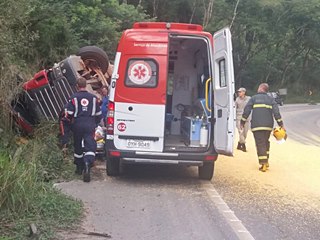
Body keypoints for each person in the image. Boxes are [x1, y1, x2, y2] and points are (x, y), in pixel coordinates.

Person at [65, 77, 102, 182]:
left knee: (78, 145)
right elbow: (98, 115)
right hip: (90, 123)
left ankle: (79, 168)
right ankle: (87, 164)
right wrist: (95, 123)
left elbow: (69, 114)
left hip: (77, 124)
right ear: (86, 85)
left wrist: (69, 122)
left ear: (77, 86)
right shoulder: (93, 98)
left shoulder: (73, 98)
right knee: (90, 144)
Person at [240, 83, 284, 172]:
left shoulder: (253, 98)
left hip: (257, 126)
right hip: (268, 126)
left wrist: (242, 122)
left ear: (261, 88)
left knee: (260, 144)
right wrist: (281, 124)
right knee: (265, 142)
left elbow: (247, 110)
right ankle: (266, 161)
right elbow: (276, 112)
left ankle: (263, 163)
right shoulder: (271, 99)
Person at [235, 87, 251, 152]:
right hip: (239, 117)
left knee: (245, 133)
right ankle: (243, 145)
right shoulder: (237, 100)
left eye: (240, 92)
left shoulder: (249, 99)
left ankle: (239, 143)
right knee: (240, 132)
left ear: (244, 92)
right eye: (238, 92)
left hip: (247, 118)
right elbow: (234, 108)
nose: (239, 93)